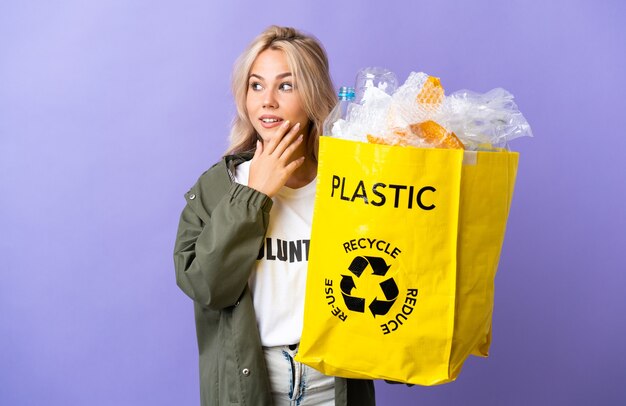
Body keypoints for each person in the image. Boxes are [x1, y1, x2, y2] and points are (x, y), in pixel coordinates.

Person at [173, 26, 376, 406]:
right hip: (251, 382)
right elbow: (206, 287)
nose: (266, 101)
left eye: (285, 86)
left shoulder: (351, 183)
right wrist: (253, 196)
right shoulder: (219, 187)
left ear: (313, 95)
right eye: (255, 85)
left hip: (332, 383)